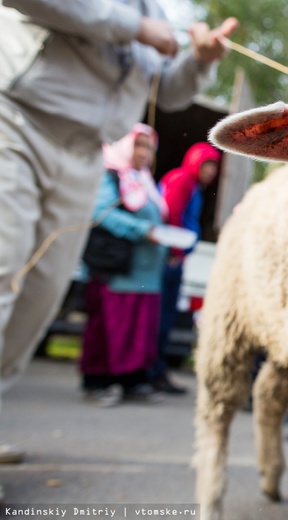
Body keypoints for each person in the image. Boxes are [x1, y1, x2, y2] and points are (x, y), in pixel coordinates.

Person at [0, 0, 235, 472]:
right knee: (5, 270)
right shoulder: (141, 18)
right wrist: (134, 25)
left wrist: (200, 61)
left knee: (39, 297)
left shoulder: (156, 13)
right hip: (18, 119)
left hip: (89, 149)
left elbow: (166, 92)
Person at [79, 123, 169, 407]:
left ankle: (132, 380)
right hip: (119, 269)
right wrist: (142, 230)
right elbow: (100, 213)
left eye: (149, 147)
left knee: (138, 328)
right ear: (126, 145)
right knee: (111, 326)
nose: (145, 152)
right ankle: (98, 381)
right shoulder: (112, 175)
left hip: (145, 272)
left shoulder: (142, 179)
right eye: (139, 145)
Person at [151, 142, 220, 394]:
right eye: (206, 165)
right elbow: (172, 215)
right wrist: (176, 251)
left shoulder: (192, 186)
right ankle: (153, 371)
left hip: (176, 257)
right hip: (171, 259)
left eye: (214, 166)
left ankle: (157, 370)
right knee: (162, 317)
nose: (211, 171)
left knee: (166, 317)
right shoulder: (182, 181)